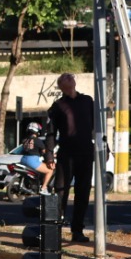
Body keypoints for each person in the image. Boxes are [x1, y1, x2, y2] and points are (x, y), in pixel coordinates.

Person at [47, 73, 98, 244]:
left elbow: (98, 126)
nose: (68, 82)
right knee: (61, 191)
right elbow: (51, 132)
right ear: (60, 87)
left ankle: (77, 231)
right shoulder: (58, 106)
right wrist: (49, 154)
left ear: (75, 82)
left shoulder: (87, 101)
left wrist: (104, 147)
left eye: (70, 79)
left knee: (82, 193)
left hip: (86, 153)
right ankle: (55, 230)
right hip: (66, 154)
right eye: (64, 81)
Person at [16, 120, 54, 191]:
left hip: (23, 159)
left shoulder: (25, 140)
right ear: (37, 131)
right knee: (50, 171)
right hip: (32, 160)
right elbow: (44, 151)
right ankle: (43, 188)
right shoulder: (37, 140)